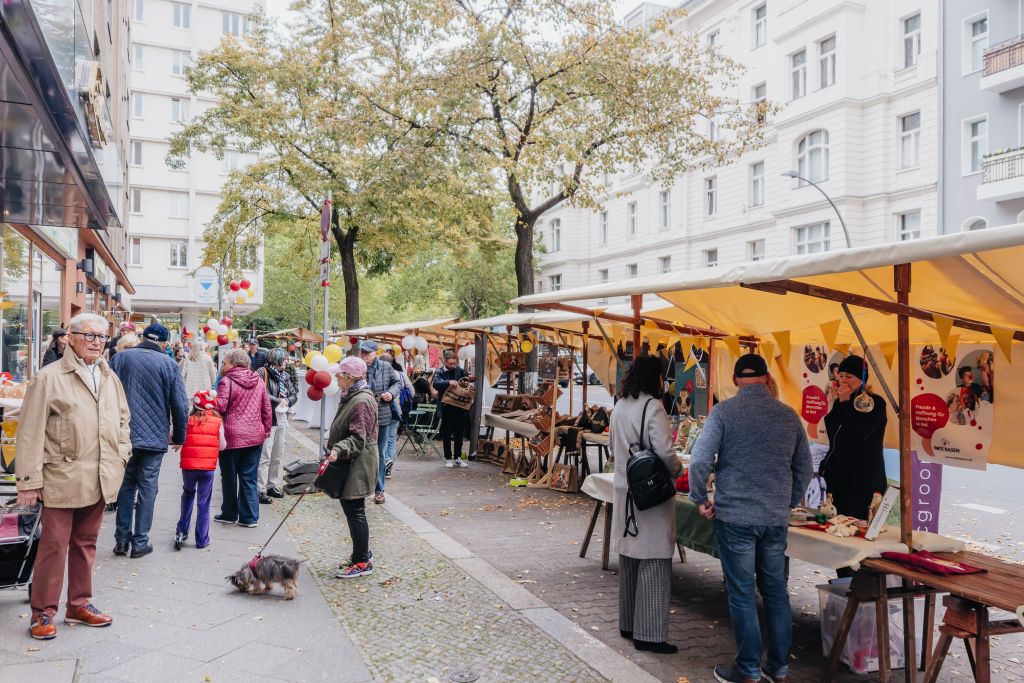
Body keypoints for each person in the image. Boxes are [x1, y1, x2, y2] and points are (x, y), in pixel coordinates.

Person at [688, 354, 813, 683]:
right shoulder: (788, 417)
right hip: (774, 519)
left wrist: (700, 498)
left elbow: (700, 460)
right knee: (776, 591)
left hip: (735, 517)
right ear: (766, 377)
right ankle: (779, 667)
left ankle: (747, 671)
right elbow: (805, 469)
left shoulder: (724, 413)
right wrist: (785, 501)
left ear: (735, 379)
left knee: (742, 593)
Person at [16, 313, 132, 640]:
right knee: (53, 547)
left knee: (86, 544)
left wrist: (122, 455)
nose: (97, 342)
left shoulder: (110, 377)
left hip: (99, 477)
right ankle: (43, 612)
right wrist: (28, 482)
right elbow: (29, 433)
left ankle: (79, 604)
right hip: (60, 478)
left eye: (102, 337)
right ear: (70, 337)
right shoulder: (49, 378)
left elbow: (124, 422)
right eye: (90, 335)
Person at [608, 355, 681, 655]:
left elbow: (612, 447)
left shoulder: (620, 405)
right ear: (656, 378)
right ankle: (649, 634)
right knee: (654, 560)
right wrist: (677, 469)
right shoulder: (654, 407)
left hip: (624, 489)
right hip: (650, 495)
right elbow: (664, 450)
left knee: (630, 559)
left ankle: (628, 623)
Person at [109, 323, 189, 559]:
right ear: (164, 343)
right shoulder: (169, 364)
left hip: (124, 434)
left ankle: (121, 540)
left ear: (142, 337)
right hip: (154, 438)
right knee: (148, 488)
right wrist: (180, 436)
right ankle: (140, 542)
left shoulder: (120, 358)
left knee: (125, 486)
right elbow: (180, 405)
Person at [323, 356, 380, 579]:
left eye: (339, 374)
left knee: (355, 511)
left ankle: (362, 561)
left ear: (350, 377)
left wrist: (338, 449)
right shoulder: (353, 396)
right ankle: (361, 553)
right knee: (353, 510)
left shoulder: (361, 401)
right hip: (353, 461)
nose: (336, 377)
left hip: (359, 463)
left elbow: (358, 438)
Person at [819, 354, 888, 522]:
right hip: (839, 475)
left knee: (858, 525)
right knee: (835, 522)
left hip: (863, 478)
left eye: (849, 376)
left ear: (862, 379)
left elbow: (856, 435)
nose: (843, 380)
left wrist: (844, 402)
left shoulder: (875, 403)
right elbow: (834, 435)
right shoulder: (840, 402)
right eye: (841, 375)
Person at [214, 348, 272, 527]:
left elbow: (221, 406)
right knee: (249, 477)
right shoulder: (259, 381)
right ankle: (249, 517)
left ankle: (230, 513)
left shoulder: (227, 381)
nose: (223, 366)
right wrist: (266, 431)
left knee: (229, 476)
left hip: (232, 437)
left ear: (233, 363)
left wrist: (210, 399)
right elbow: (266, 408)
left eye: (225, 362)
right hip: (254, 436)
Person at [175, 390, 225, 550]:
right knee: (204, 502)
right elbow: (223, 446)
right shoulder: (217, 422)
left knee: (188, 494)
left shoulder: (187, 420)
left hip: (188, 467)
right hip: (207, 468)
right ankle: (202, 539)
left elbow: (175, 436)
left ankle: (182, 531)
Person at [357, 340, 401, 504]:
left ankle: (379, 490)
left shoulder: (385, 366)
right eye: (362, 352)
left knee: (380, 455)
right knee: (361, 453)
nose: (364, 355)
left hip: (382, 415)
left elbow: (397, 383)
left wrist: (390, 393)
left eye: (367, 353)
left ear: (376, 352)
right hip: (362, 416)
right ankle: (360, 488)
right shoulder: (358, 366)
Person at [257, 348, 297, 503]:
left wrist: (287, 401)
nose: (287, 362)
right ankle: (260, 489)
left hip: (282, 418)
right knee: (265, 455)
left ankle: (271, 485)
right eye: (284, 359)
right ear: (276, 359)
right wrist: (277, 400)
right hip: (267, 419)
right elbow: (260, 392)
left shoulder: (285, 376)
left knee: (277, 454)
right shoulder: (262, 372)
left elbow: (293, 394)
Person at [432, 350, 475, 469]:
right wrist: (448, 382)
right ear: (445, 361)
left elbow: (467, 377)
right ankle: (448, 458)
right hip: (446, 407)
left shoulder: (459, 370)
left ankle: (458, 458)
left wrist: (471, 378)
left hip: (460, 407)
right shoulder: (439, 371)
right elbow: (435, 384)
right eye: (450, 364)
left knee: (459, 434)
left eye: (454, 363)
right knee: (446, 434)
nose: (452, 366)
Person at [381, 352, 413, 479]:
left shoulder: (380, 373)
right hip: (397, 411)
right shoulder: (401, 374)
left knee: (382, 438)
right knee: (391, 439)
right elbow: (412, 391)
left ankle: (385, 462)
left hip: (384, 410)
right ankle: (389, 468)